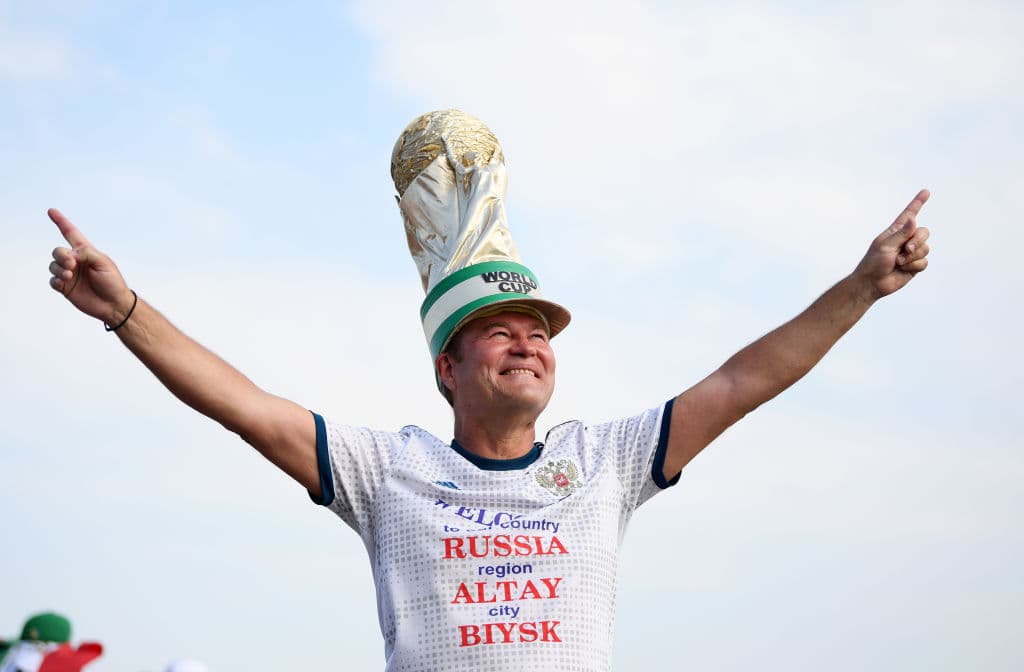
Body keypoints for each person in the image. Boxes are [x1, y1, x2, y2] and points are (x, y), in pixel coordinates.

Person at [44, 187, 931, 671]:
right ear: (447, 370)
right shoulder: (384, 467)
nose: (529, 342)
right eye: (501, 330)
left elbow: (745, 379)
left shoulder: (607, 460)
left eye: (540, 331)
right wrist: (125, 310)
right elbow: (243, 403)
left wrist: (861, 286)